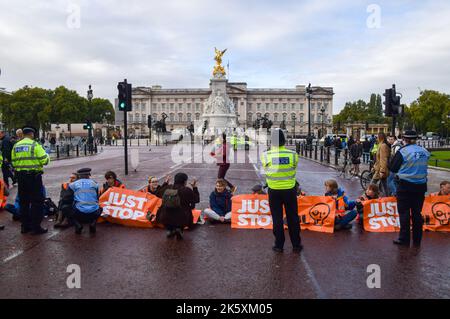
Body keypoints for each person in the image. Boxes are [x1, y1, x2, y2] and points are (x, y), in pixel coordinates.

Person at [261, 128, 302, 253]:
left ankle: (279, 245)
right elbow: (294, 168)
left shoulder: (265, 155)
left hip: (274, 190)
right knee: (293, 218)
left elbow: (266, 169)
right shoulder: (293, 155)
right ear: (284, 141)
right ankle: (296, 244)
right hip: (289, 189)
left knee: (277, 218)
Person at [389, 130, 430, 247]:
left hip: (405, 186)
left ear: (404, 139)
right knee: (417, 214)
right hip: (420, 187)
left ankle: (404, 239)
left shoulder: (403, 152)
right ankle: (417, 239)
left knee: (404, 213)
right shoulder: (424, 151)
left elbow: (393, 168)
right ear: (415, 139)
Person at [11, 127, 50, 235]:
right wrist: (47, 155)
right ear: (31, 134)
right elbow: (45, 160)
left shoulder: (16, 145)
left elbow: (13, 162)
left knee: (23, 202)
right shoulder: (35, 145)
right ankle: (36, 227)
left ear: (23, 134)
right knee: (37, 202)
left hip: (21, 177)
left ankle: (25, 226)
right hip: (34, 177)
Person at [156, 173, 200, 240]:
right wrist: (194, 187)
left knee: (163, 210)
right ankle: (179, 229)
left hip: (164, 217)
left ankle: (170, 230)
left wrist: (165, 183)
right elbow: (197, 199)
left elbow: (157, 193)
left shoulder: (167, 188)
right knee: (186, 210)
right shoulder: (187, 190)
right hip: (182, 218)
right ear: (185, 181)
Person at [62, 168, 101, 234]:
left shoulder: (73, 184)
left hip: (79, 212)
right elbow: (97, 198)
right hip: (94, 212)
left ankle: (77, 224)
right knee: (100, 207)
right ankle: (93, 223)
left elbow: (66, 199)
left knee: (65, 207)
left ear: (79, 175)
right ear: (89, 175)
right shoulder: (95, 183)